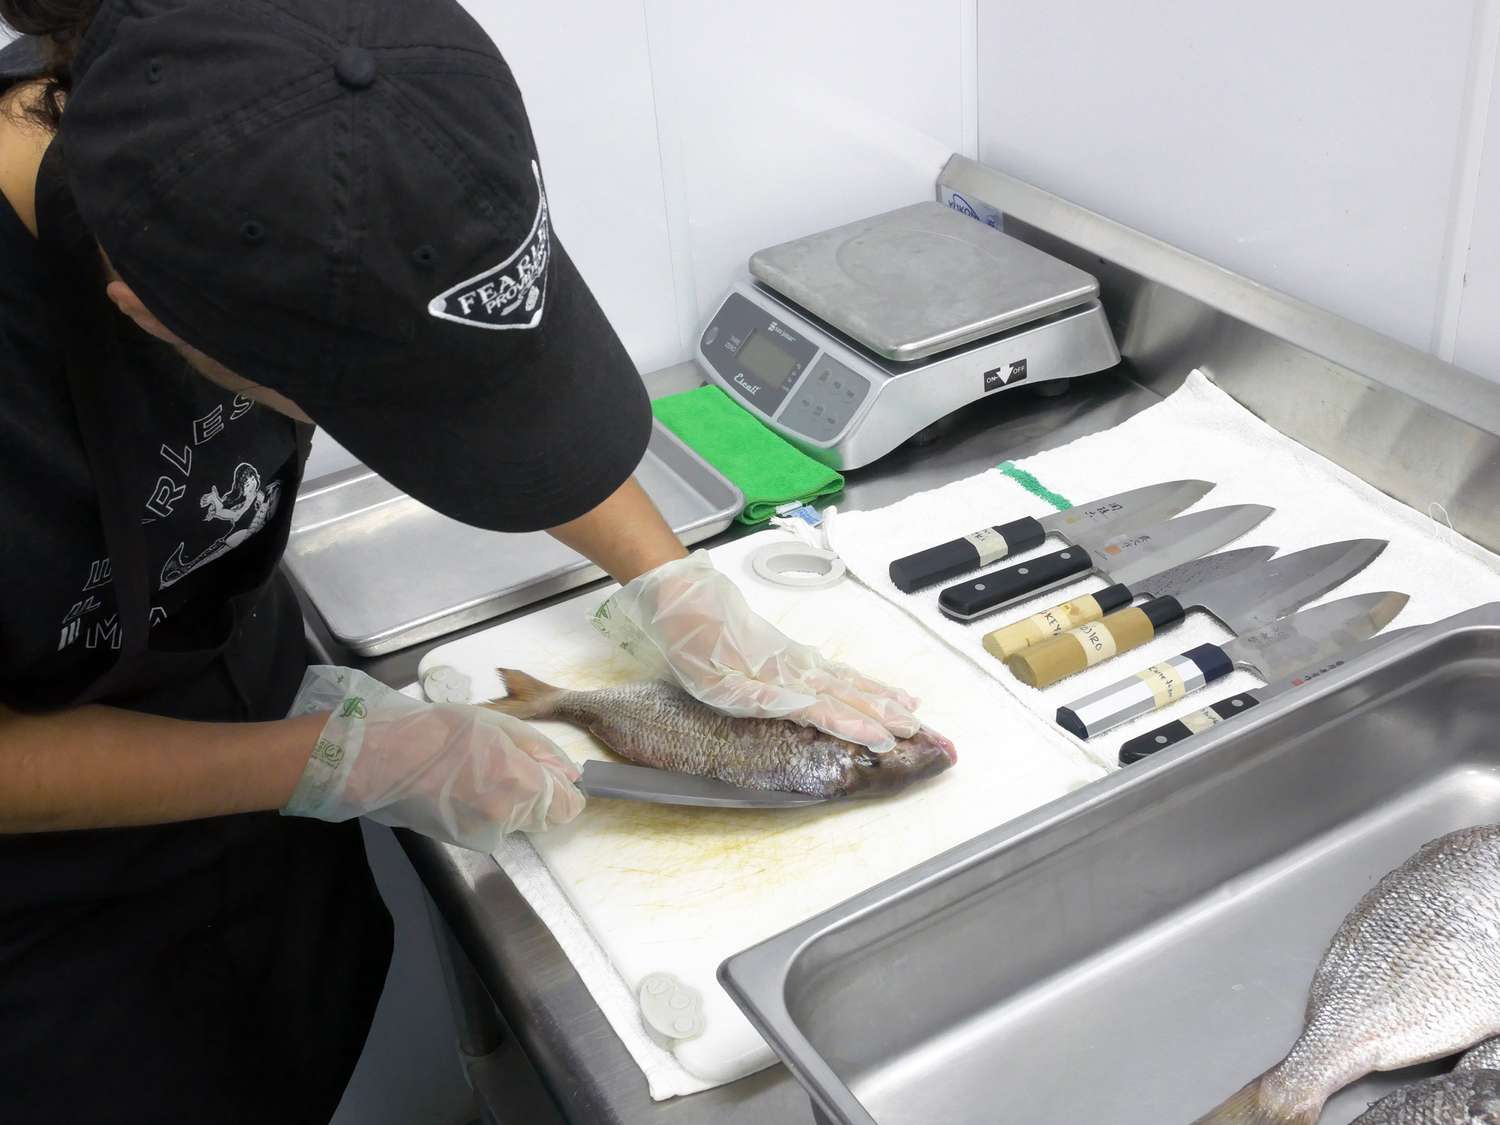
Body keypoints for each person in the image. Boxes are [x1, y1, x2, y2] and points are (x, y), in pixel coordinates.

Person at [0, 1, 920, 1120]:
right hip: (48, 928)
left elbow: (486, 370)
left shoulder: (340, 126)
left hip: (253, 774)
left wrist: (668, 580)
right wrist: (333, 765)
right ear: (144, 308)